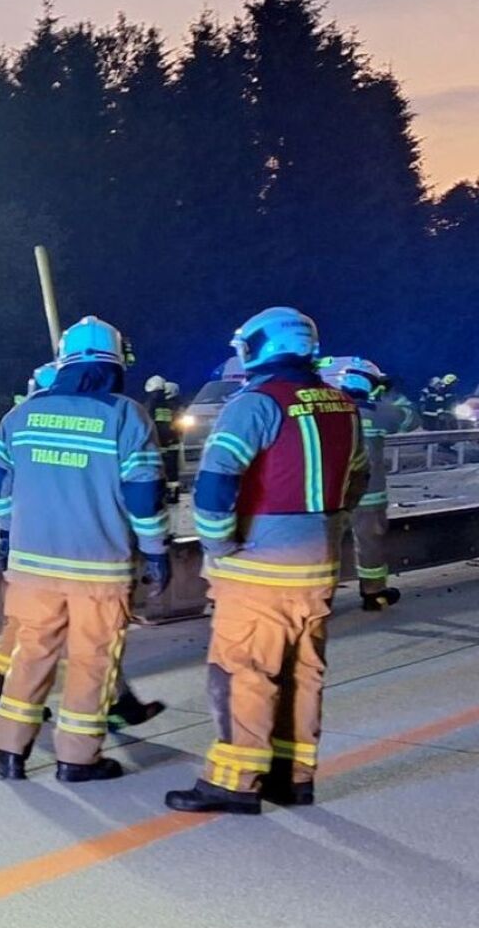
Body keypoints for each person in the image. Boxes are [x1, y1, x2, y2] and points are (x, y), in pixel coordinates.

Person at [167, 307, 366, 815]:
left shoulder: (253, 404)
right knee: (303, 673)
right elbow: (357, 479)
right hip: (318, 566)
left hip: (258, 568)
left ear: (259, 348)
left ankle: (234, 781)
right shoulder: (341, 404)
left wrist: (218, 544)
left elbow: (215, 484)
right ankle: (293, 777)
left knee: (243, 672)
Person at [0, 317, 171, 784]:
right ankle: (77, 759)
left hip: (30, 567)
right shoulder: (125, 416)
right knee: (92, 663)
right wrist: (154, 551)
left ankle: (7, 752)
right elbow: (144, 495)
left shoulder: (20, 416)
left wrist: (8, 534)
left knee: (30, 657)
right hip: (98, 569)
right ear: (115, 362)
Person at [322, 357, 401, 609]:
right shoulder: (378, 414)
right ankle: (373, 593)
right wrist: (388, 394)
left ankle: (320, 599)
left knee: (324, 549)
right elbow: (409, 420)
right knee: (370, 545)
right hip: (369, 494)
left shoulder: (328, 413)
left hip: (330, 494)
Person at [145, 376, 186, 503]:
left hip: (158, 443)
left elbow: (147, 422)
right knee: (171, 471)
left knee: (157, 470)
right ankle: (172, 494)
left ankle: (160, 494)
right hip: (171, 442)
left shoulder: (151, 405)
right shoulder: (170, 406)